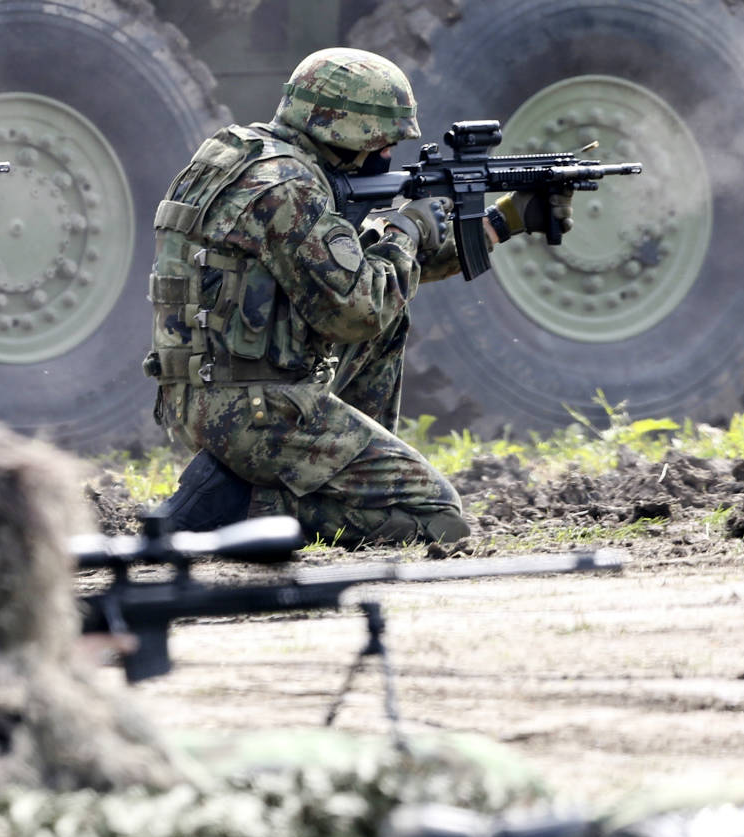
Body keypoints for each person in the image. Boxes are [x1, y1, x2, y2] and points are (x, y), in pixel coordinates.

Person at [144, 48, 573, 547]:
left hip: (212, 394)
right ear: (349, 133)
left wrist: (505, 220)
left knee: (391, 309)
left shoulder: (247, 158)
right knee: (436, 520)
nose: (389, 154)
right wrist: (407, 227)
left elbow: (350, 274)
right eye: (384, 140)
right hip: (253, 413)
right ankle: (242, 503)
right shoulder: (289, 188)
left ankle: (316, 473)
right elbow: (359, 309)